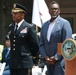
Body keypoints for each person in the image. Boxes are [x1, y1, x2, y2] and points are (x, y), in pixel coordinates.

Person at [39, 1, 72, 75]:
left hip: (60, 62)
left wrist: (56, 57)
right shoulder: (44, 25)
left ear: (59, 11)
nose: (54, 10)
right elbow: (41, 44)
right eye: (52, 9)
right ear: (49, 11)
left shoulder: (65, 23)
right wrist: (45, 57)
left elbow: (68, 44)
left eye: (56, 9)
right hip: (48, 62)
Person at [8, 3, 39, 75]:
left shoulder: (28, 27)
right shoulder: (11, 27)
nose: (13, 15)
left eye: (16, 13)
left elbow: (35, 45)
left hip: (24, 63)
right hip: (13, 63)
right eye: (13, 13)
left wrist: (33, 58)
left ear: (22, 15)